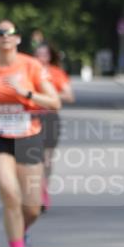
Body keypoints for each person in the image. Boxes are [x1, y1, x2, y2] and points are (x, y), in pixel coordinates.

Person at [0, 20, 61, 247]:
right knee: (10, 195)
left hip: (29, 136)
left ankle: (23, 231)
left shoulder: (31, 66)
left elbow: (55, 102)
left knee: (31, 207)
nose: (5, 36)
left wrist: (25, 92)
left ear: (18, 39)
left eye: (10, 33)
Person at [34, 42, 75, 212]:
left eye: (44, 54)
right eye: (38, 54)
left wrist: (49, 95)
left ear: (50, 56)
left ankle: (43, 190)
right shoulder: (28, 71)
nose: (41, 57)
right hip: (30, 118)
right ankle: (31, 191)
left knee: (46, 158)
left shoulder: (57, 73)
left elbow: (70, 96)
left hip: (50, 118)